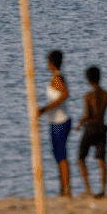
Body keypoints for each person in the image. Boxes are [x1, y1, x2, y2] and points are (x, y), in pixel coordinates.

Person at [36, 49, 73, 197]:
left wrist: (45, 108)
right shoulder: (56, 77)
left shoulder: (57, 78)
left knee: (61, 155)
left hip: (60, 121)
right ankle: (62, 188)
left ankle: (66, 188)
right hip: (55, 121)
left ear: (51, 63)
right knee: (58, 155)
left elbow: (65, 94)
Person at [76, 65, 107, 197]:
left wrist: (80, 123)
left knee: (81, 158)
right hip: (101, 128)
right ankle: (103, 190)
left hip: (90, 128)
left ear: (88, 80)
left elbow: (88, 115)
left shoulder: (88, 96)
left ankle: (88, 189)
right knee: (102, 161)